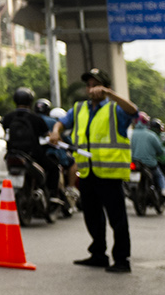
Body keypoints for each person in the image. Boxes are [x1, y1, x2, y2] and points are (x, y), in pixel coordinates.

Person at [51, 68, 138, 272]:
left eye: (95, 85)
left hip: (109, 173)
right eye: (89, 85)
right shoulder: (80, 108)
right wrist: (55, 132)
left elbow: (133, 110)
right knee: (92, 216)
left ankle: (122, 260)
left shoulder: (115, 109)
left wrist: (110, 95)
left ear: (105, 88)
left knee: (117, 219)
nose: (91, 89)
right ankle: (98, 254)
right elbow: (62, 123)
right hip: (87, 172)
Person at [2, 87, 57, 200]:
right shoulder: (36, 119)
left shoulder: (7, 118)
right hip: (33, 155)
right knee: (54, 169)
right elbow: (47, 135)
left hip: (12, 154)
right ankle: (52, 195)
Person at [129, 113, 165, 203]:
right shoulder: (152, 135)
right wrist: (163, 152)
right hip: (150, 164)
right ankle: (164, 191)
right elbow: (160, 150)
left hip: (134, 163)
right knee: (159, 175)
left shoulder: (131, 134)